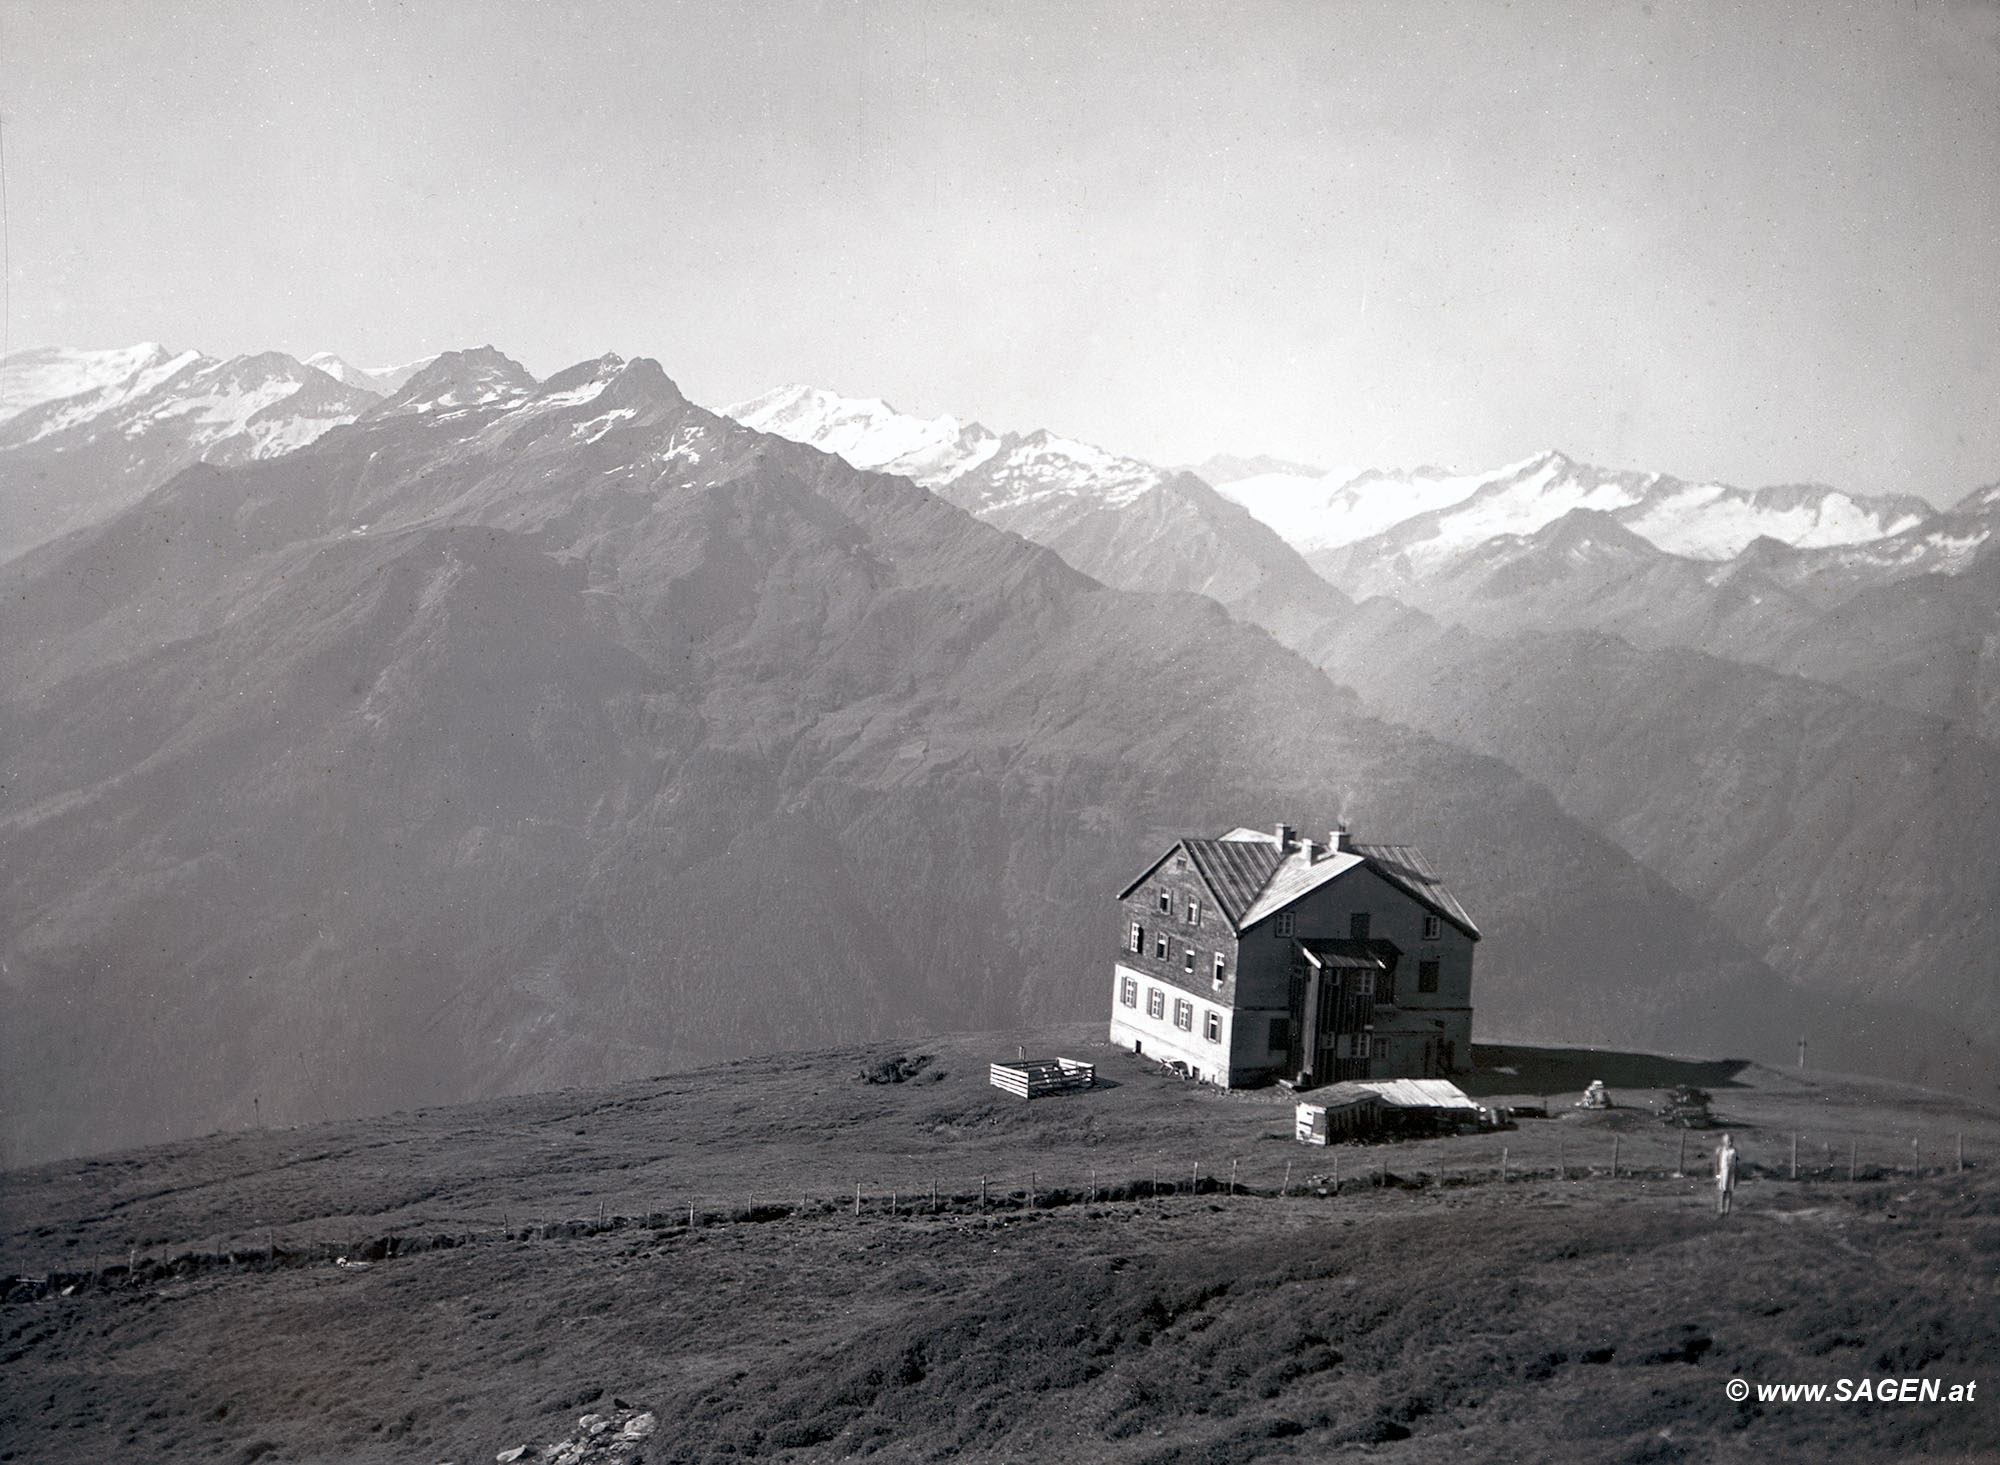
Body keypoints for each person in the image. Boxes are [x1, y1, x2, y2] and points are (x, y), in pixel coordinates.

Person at [1715, 1132, 1739, 1216]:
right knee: (1722, 1191)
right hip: (1723, 1172)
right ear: (1724, 1141)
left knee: (1730, 1191)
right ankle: (1721, 1209)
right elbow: (1717, 1163)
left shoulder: (1734, 1151)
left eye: (1731, 1141)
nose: (1729, 1143)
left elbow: (1736, 1163)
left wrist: (1737, 1175)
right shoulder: (1721, 1150)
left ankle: (1727, 1210)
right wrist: (1717, 1175)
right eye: (1727, 1141)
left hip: (1731, 1172)